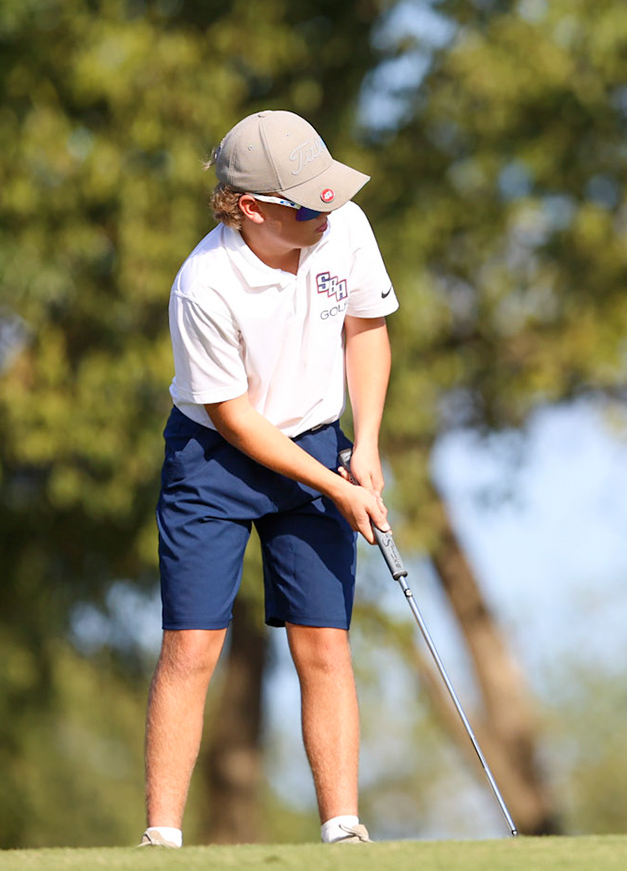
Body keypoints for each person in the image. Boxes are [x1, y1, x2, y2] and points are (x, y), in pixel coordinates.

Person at [138, 110, 396, 848]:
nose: (326, 207)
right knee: (193, 646)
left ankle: (343, 829)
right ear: (250, 207)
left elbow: (366, 330)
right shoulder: (204, 285)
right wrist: (338, 488)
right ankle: (161, 839)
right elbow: (236, 421)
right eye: (303, 200)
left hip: (316, 436)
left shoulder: (341, 226)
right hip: (213, 458)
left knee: (324, 640)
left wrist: (366, 448)